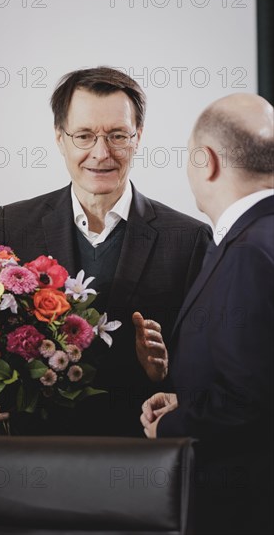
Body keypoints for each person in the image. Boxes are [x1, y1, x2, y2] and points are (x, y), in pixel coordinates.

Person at [0, 66, 211, 436]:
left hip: (144, 459)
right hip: (33, 457)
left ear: (138, 137)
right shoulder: (12, 226)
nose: (101, 153)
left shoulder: (189, 238)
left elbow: (214, 367)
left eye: (117, 135)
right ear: (59, 138)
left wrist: (167, 372)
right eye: (84, 136)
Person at [139, 93, 274, 534]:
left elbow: (251, 403)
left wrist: (173, 423)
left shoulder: (248, 252)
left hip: (244, 507)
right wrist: (190, 397)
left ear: (207, 161)